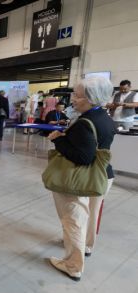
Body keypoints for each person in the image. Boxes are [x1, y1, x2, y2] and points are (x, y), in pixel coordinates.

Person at [47, 76, 116, 281]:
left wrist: (59, 140)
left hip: (80, 179)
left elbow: (82, 157)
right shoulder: (105, 118)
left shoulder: (85, 123)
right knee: (91, 216)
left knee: (73, 220)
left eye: (77, 95)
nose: (73, 100)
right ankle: (86, 246)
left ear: (91, 98)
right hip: (102, 176)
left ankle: (73, 265)